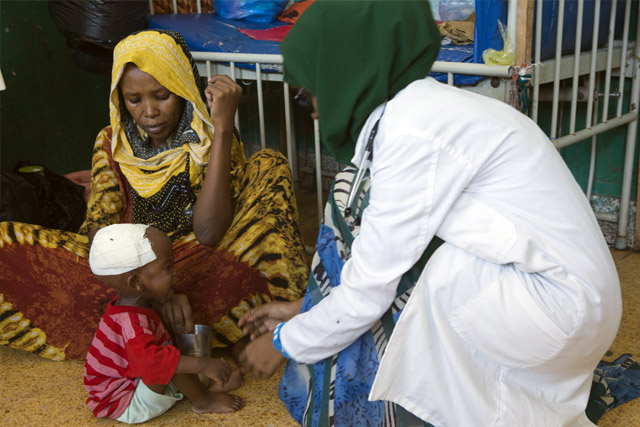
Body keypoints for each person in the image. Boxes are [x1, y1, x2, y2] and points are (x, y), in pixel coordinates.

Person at [237, 1, 622, 426]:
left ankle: (385, 406)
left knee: (385, 244)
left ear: (344, 72)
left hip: (554, 311)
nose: (310, 108)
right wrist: (306, 310)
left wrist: (284, 342)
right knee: (382, 236)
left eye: (308, 90)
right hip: (559, 301)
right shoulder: (421, 111)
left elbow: (370, 289)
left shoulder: (413, 132)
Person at [0, 29, 308, 361]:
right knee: (7, 242)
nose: (149, 111)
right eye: (134, 100)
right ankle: (162, 321)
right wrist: (156, 290)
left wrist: (222, 127)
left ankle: (135, 331)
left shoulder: (209, 138)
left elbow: (209, 233)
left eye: (162, 96)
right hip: (132, 277)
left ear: (182, 88)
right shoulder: (111, 143)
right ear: (121, 99)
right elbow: (100, 239)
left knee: (270, 165)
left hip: (204, 262)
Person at [84, 224, 244, 423]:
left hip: (133, 381)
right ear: (136, 283)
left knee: (169, 357)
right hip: (125, 402)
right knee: (167, 360)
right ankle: (204, 400)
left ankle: (205, 387)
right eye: (168, 267)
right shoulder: (130, 323)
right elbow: (153, 364)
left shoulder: (133, 308)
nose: (176, 273)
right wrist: (204, 364)